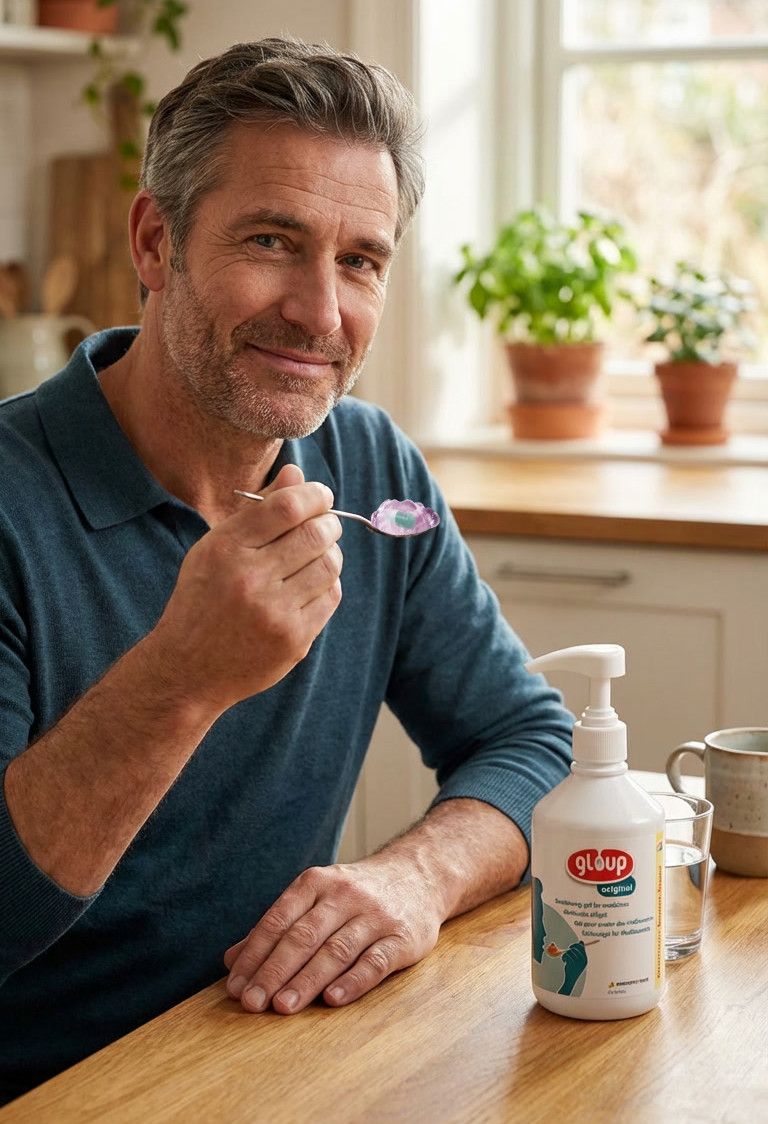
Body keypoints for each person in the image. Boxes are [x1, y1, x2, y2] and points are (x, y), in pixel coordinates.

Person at [0, 37, 573, 1103]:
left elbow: (530, 740)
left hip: (277, 1059)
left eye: (360, 259)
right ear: (155, 240)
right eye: (273, 239)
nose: (321, 313)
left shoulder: (370, 465)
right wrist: (185, 674)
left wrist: (416, 875)